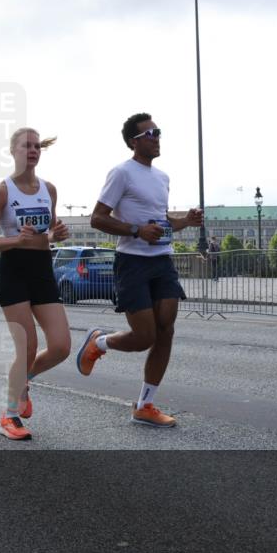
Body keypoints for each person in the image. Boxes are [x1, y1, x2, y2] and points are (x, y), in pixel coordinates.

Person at [77, 113, 203, 428]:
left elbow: (160, 221)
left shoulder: (162, 178)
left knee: (166, 329)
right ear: (134, 142)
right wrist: (136, 230)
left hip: (162, 260)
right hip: (132, 262)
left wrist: (186, 221)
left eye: (158, 132)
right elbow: (97, 218)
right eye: (150, 133)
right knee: (144, 337)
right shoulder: (121, 173)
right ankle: (99, 342)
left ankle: (145, 405)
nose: (157, 137)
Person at [0, 128, 71, 440]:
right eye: (25, 146)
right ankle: (9, 415)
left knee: (61, 347)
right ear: (13, 151)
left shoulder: (49, 189)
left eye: (36, 146)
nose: (32, 150)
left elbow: (47, 235)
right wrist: (16, 239)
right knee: (27, 345)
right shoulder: (1, 191)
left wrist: (55, 235)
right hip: (13, 272)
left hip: (42, 271)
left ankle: (22, 381)